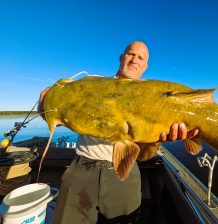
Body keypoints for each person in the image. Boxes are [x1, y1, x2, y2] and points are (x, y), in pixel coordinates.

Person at [38, 41, 199, 224]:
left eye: (140, 58)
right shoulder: (92, 85)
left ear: (145, 67)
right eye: (131, 54)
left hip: (125, 173)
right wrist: (45, 105)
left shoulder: (153, 101)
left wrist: (156, 140)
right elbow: (58, 118)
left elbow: (144, 155)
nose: (134, 60)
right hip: (82, 168)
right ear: (122, 57)